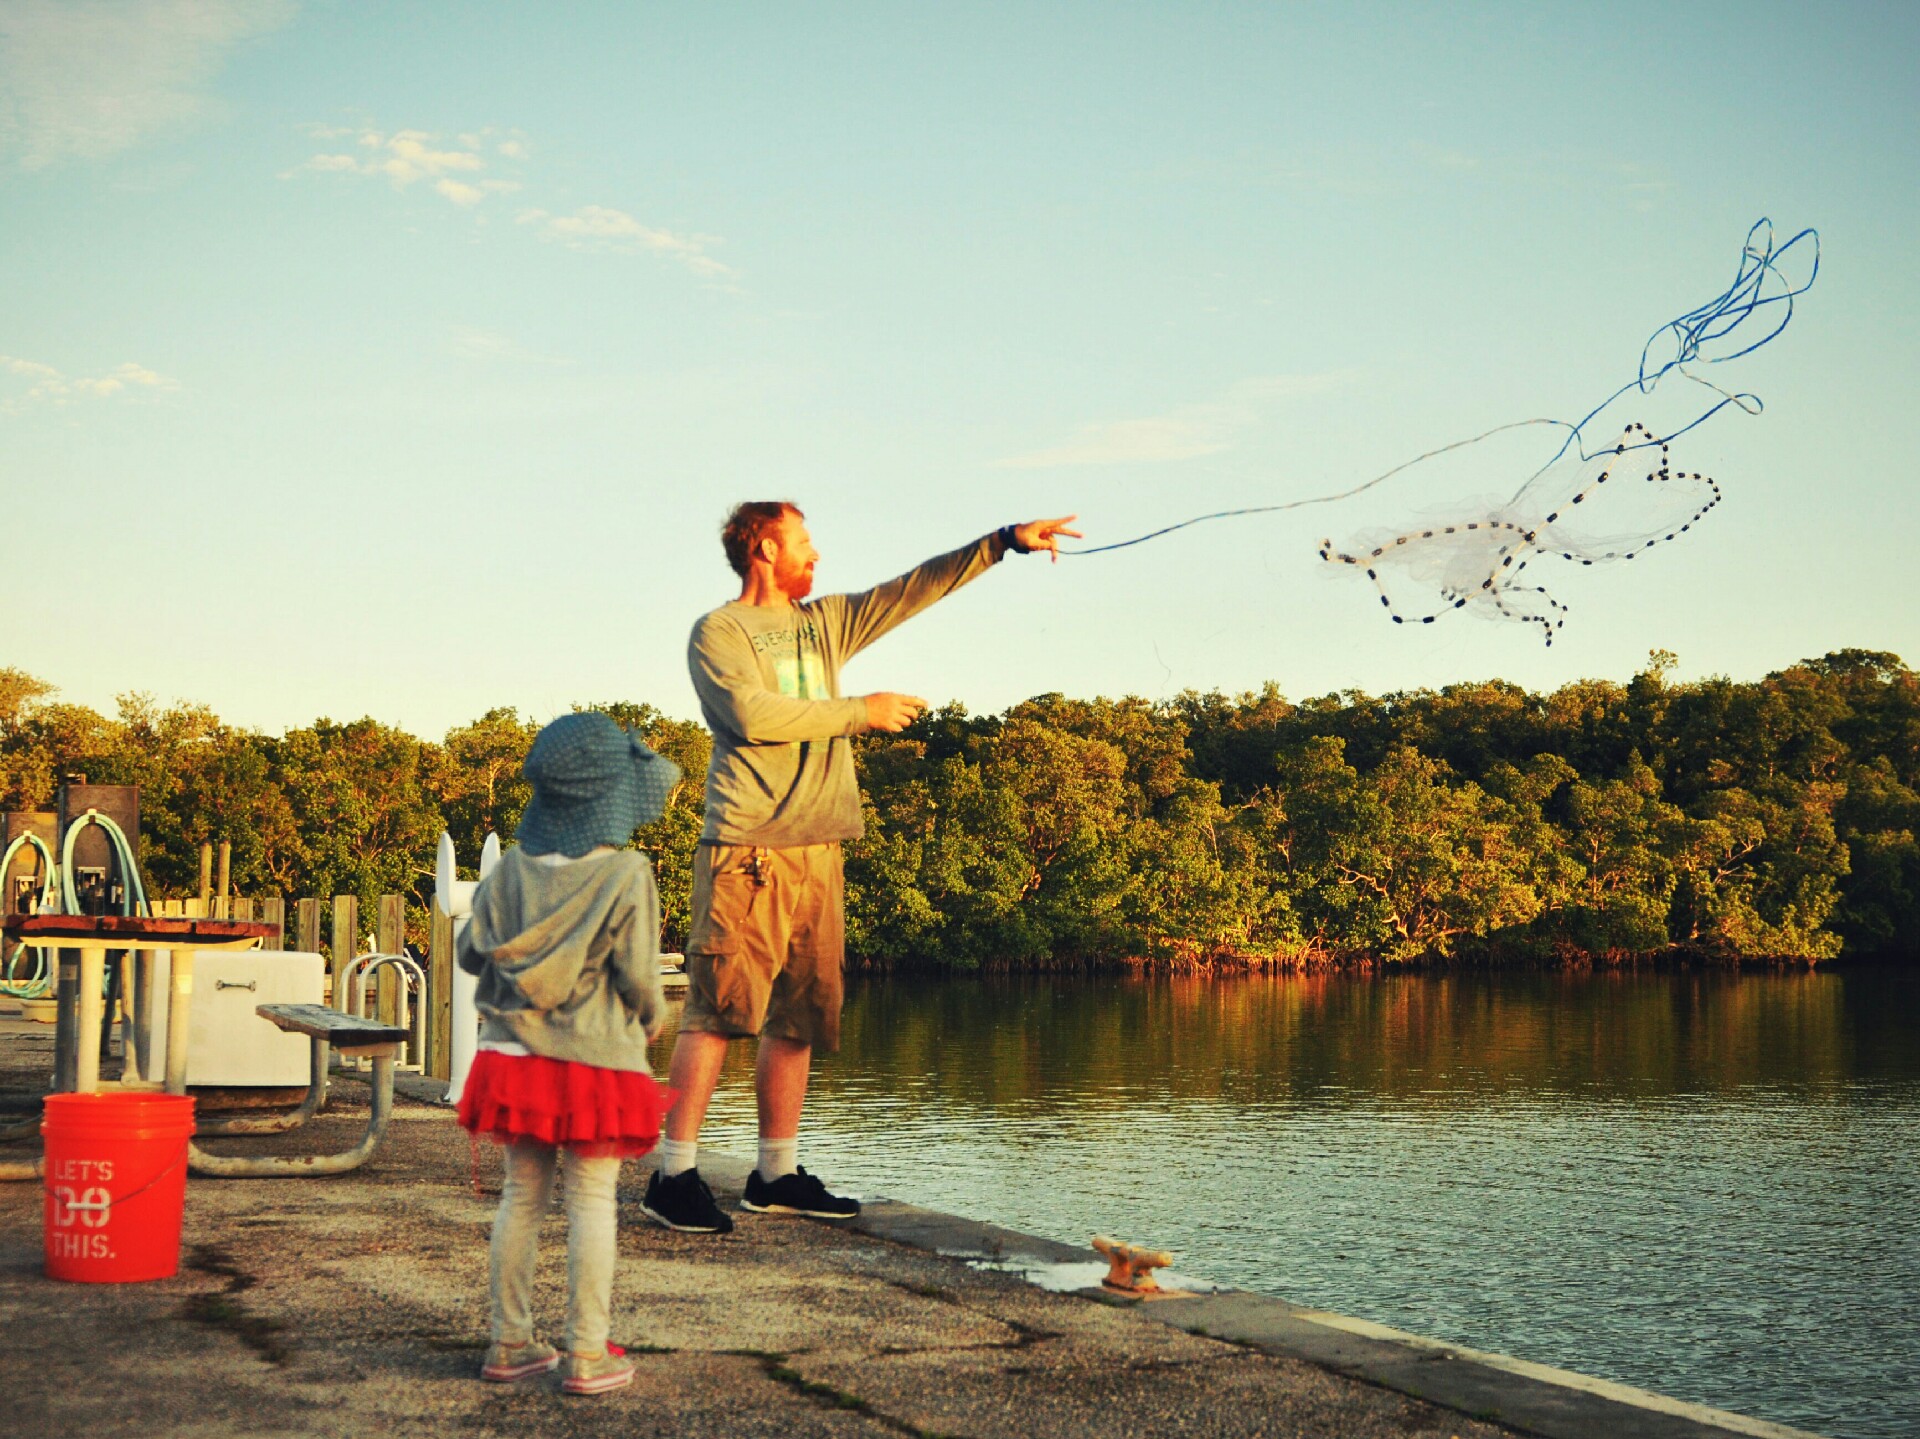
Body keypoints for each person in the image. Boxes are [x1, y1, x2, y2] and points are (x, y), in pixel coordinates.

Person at [641, 504, 1080, 1233]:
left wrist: (1002, 544)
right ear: (764, 547)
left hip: (821, 847)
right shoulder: (719, 633)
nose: (816, 553)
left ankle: (775, 1175)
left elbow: (913, 588)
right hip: (750, 846)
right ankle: (673, 1173)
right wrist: (859, 712)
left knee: (802, 1013)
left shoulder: (825, 623)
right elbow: (752, 715)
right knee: (717, 1010)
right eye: (804, 541)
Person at [457, 710, 681, 1395]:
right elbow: (640, 975)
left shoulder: (512, 869)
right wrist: (657, 1014)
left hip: (513, 1055)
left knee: (521, 1195)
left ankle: (510, 1340)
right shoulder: (625, 871)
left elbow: (470, 950)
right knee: (590, 1199)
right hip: (593, 1058)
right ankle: (587, 1351)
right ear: (610, 795)